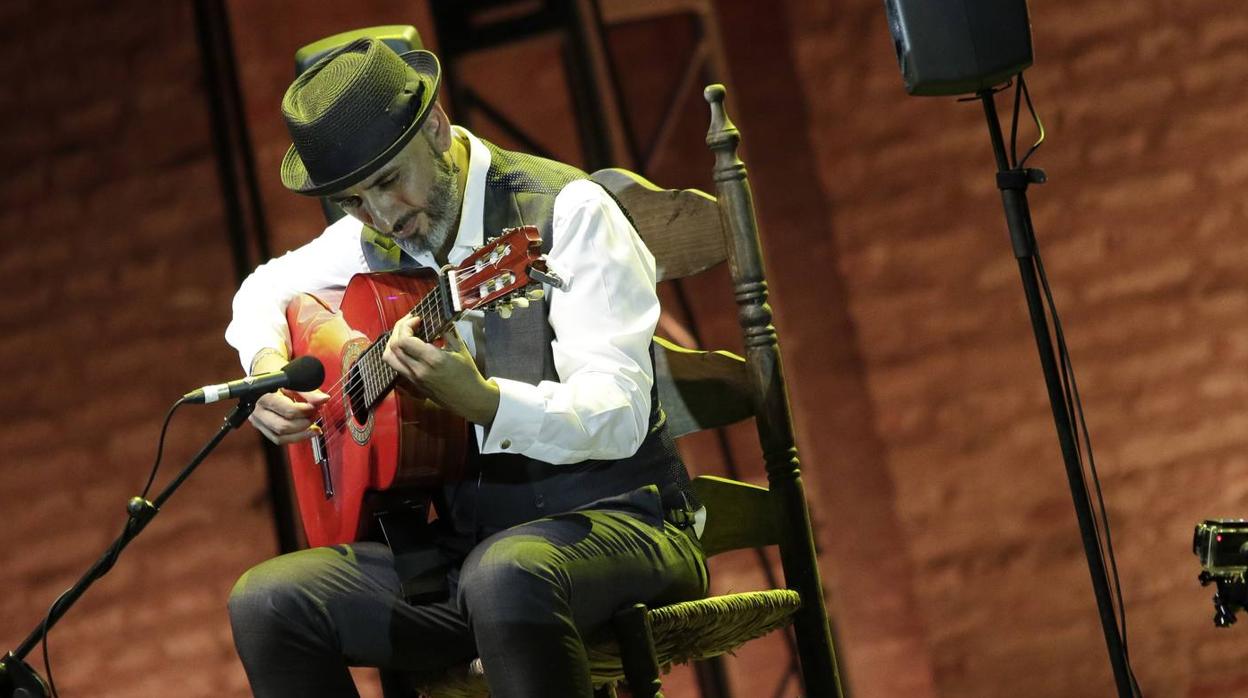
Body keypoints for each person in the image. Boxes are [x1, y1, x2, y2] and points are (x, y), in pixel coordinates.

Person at [223, 37, 707, 698]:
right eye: (356, 201)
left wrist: (486, 404)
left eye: (390, 181)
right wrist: (266, 369)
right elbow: (260, 291)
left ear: (437, 128)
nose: (384, 216)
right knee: (269, 603)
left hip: (620, 520)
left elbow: (620, 413)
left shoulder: (566, 212)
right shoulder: (371, 236)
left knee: (506, 577)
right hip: (469, 552)